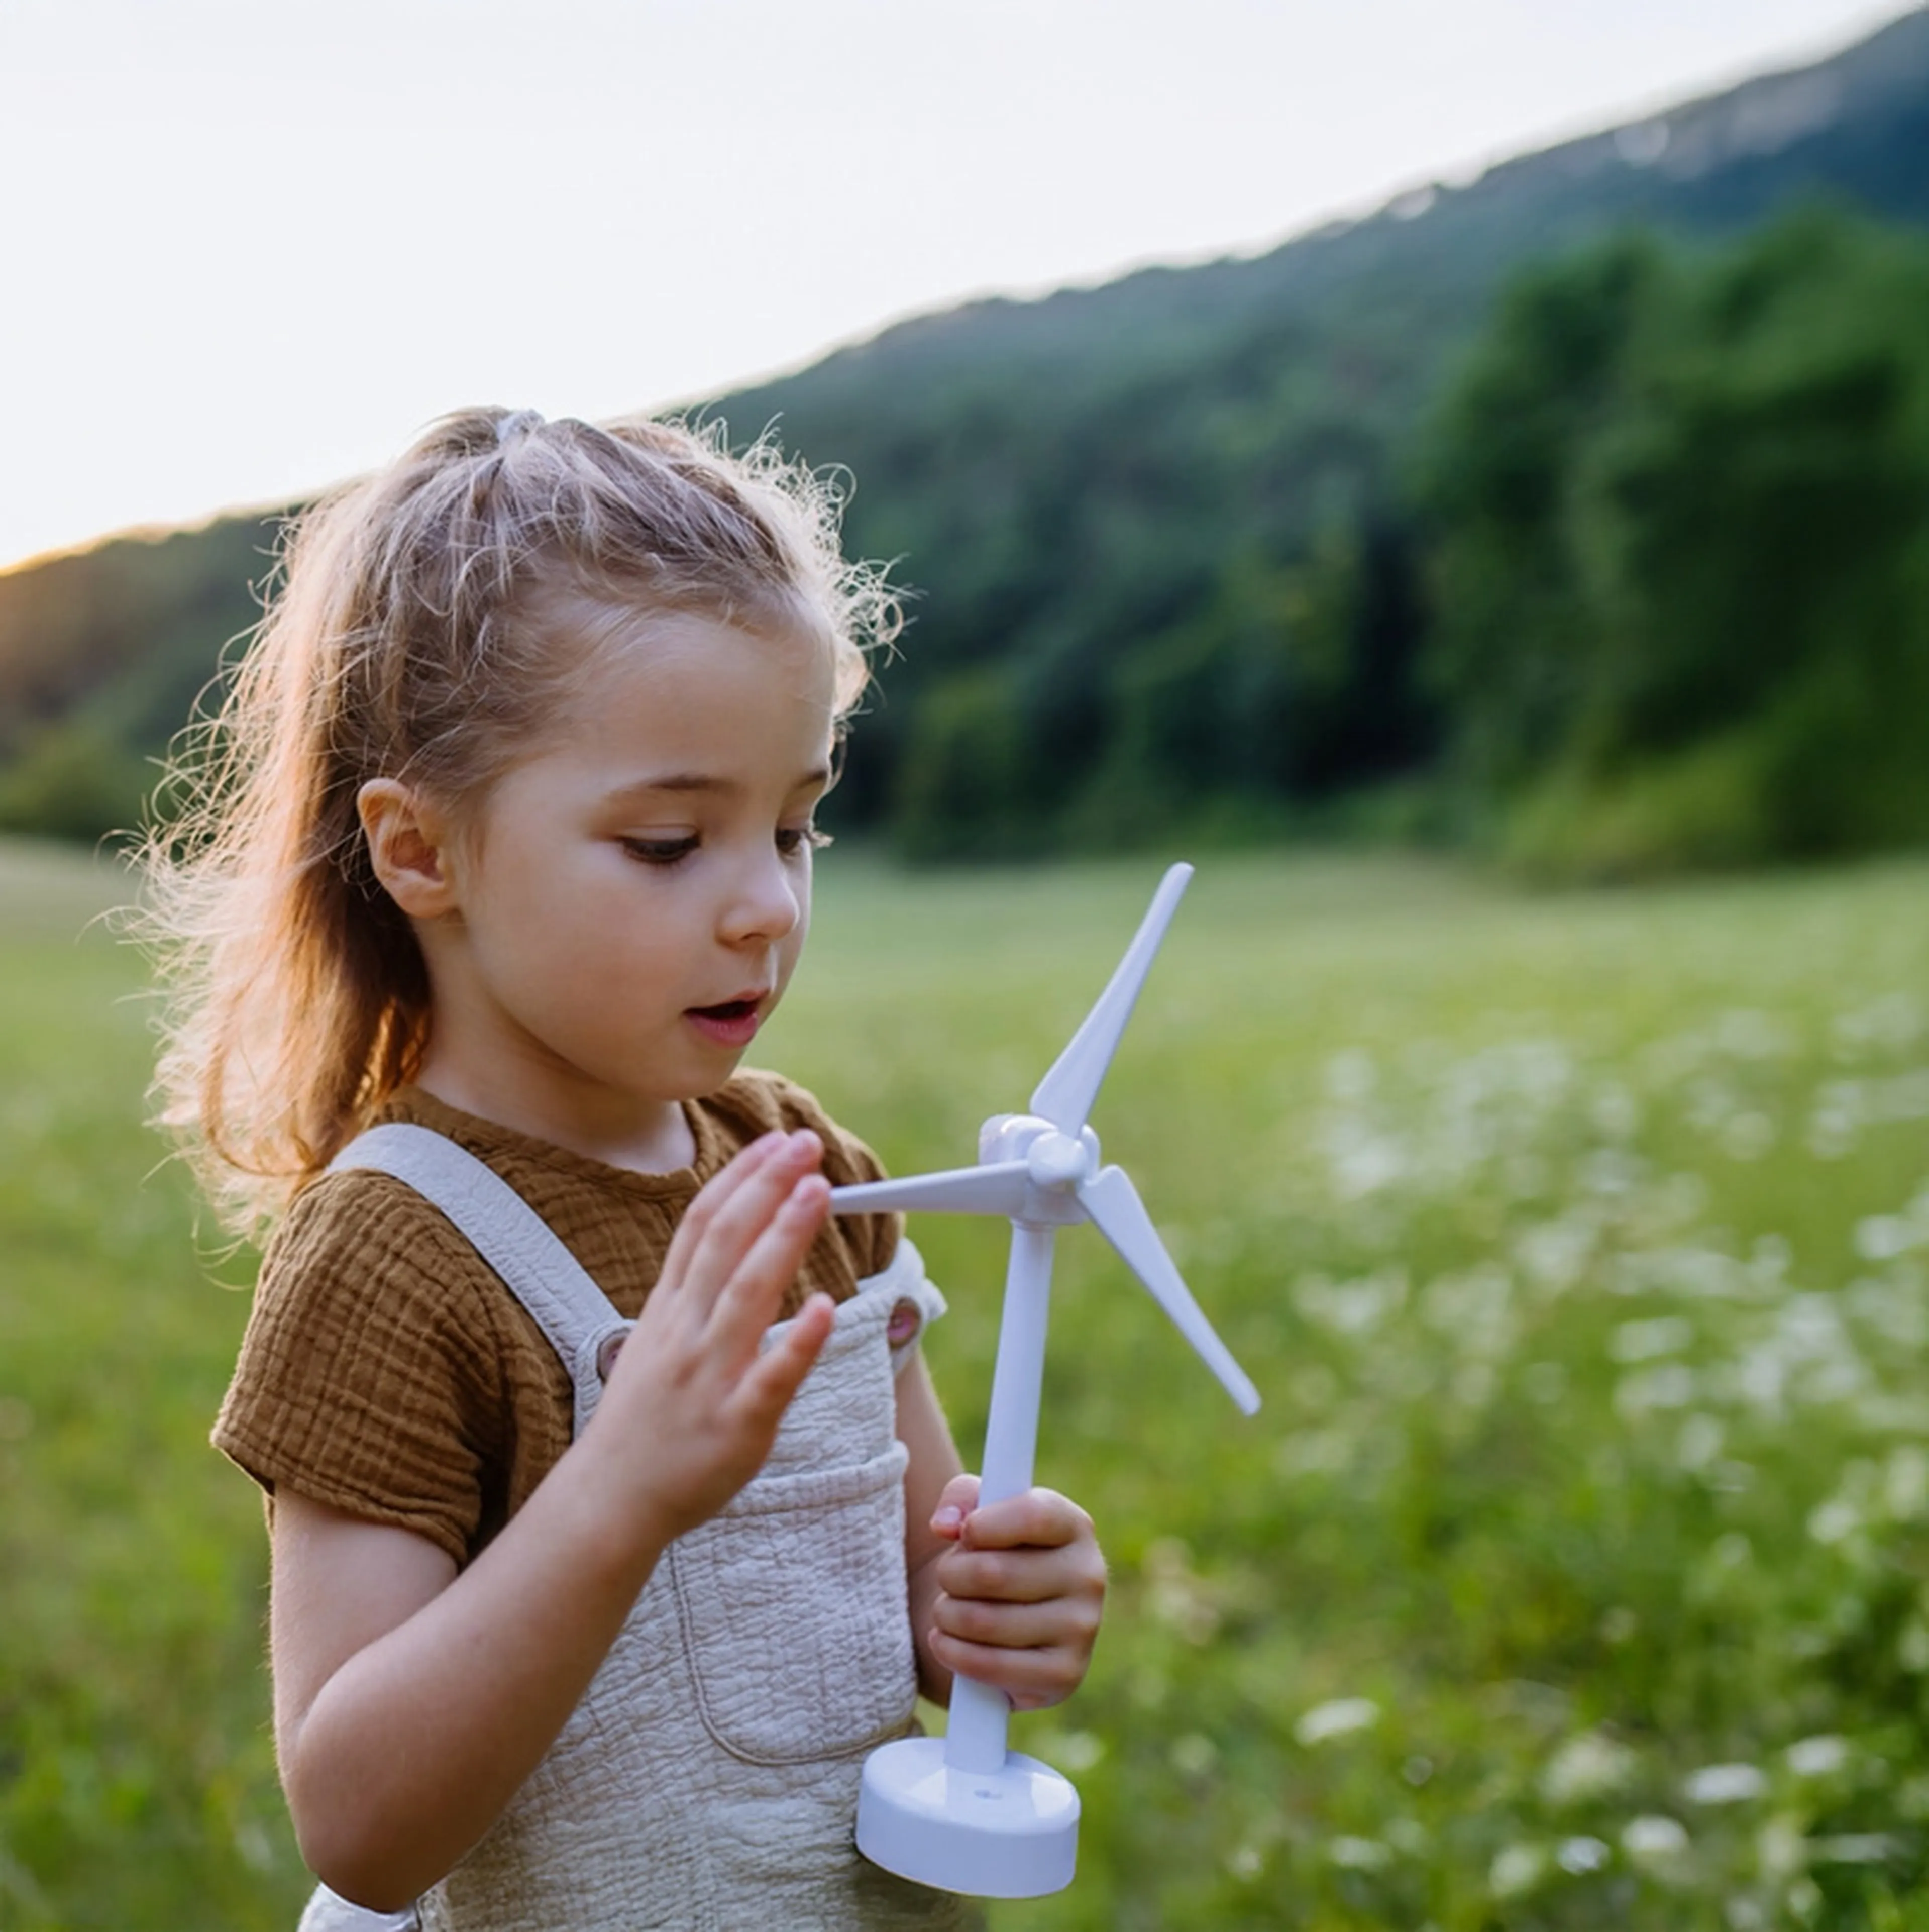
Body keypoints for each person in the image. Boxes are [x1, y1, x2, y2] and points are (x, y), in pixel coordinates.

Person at [142, 408, 1107, 1929]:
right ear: (420, 851)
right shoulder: (397, 1255)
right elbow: (361, 1825)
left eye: (796, 828)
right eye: (670, 842)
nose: (763, 909)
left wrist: (991, 1605)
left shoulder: (805, 1175)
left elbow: (909, 1611)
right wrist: (626, 1485)